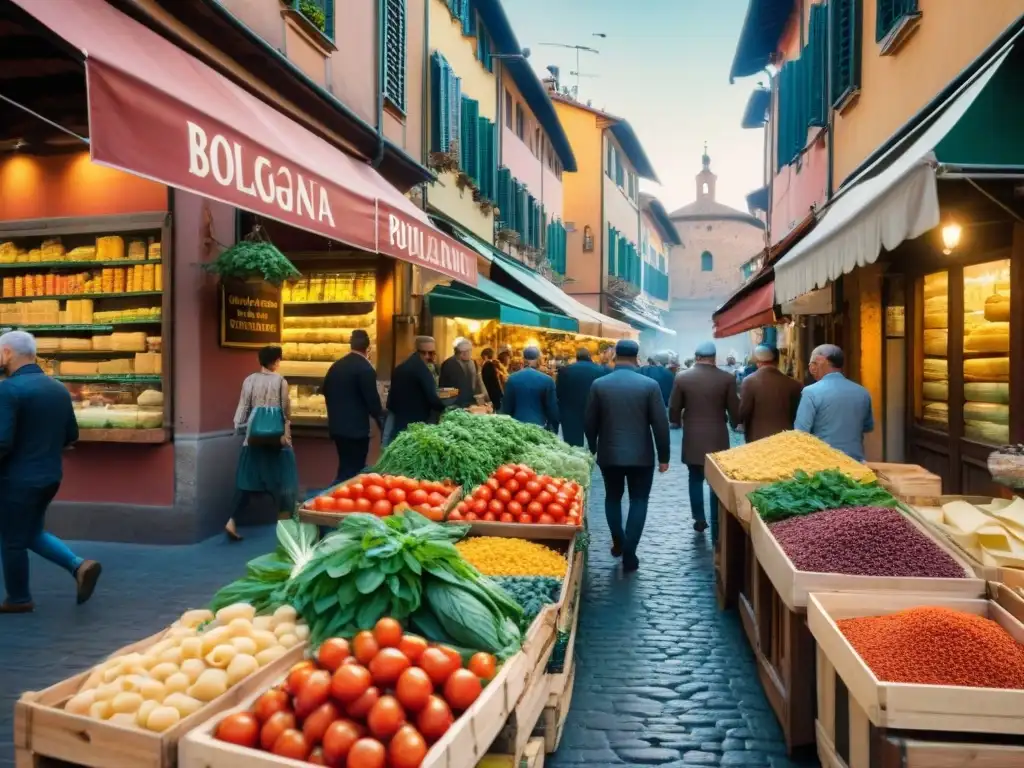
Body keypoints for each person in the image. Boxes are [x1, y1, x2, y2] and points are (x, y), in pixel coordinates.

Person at [0, 331, 101, 612]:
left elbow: (2, 441)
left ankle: (18, 599)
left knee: (11, 540)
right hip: (50, 476)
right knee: (30, 532)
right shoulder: (57, 388)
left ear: (7, 353)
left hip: (16, 479)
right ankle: (79, 566)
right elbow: (71, 434)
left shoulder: (8, 389)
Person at [585, 339, 670, 573]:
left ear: (614, 355)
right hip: (641, 456)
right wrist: (664, 456)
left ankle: (618, 541)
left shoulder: (599, 384)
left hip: (609, 453)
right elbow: (660, 425)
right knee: (639, 500)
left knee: (613, 497)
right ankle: (630, 552)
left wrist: (592, 447)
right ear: (636, 357)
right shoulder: (650, 385)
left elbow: (589, 422)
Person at [669, 341, 739, 540]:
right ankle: (716, 519)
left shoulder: (682, 377)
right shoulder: (726, 378)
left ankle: (699, 517)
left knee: (695, 478)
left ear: (697, 357)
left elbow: (674, 407)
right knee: (716, 480)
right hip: (718, 435)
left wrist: (675, 421)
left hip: (693, 436)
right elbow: (733, 407)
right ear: (714, 358)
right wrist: (736, 422)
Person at [229, 345, 298, 541]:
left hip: (253, 439)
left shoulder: (249, 380)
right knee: (284, 480)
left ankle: (231, 520)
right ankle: (284, 525)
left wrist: (240, 428)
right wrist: (286, 438)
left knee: (246, 481)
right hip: (276, 440)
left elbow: (242, 408)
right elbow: (285, 413)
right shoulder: (280, 382)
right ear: (276, 360)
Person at [322, 329, 384, 484]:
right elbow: (373, 402)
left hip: (337, 429)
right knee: (354, 472)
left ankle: (333, 498)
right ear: (368, 348)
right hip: (357, 432)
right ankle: (332, 499)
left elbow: (325, 390)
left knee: (345, 467)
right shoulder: (365, 369)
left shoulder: (336, 366)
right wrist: (382, 422)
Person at [795, 344, 874, 461]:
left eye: (813, 363)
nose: (811, 369)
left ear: (822, 361)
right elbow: (868, 426)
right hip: (855, 462)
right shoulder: (862, 392)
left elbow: (800, 432)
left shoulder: (810, 392)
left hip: (823, 464)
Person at [738, 344, 803, 443]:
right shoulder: (794, 384)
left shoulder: (749, 381)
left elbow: (743, 412)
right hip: (785, 437)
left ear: (758, 361)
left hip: (758, 438)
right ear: (777, 361)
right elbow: (797, 414)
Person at [387, 336, 448, 438]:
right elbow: (432, 398)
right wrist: (445, 407)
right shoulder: (422, 370)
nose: (428, 356)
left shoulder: (401, 367)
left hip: (399, 419)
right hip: (416, 423)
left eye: (431, 353)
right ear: (416, 351)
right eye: (424, 353)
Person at [555, 347, 606, 446]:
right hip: (593, 411)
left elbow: (558, 393)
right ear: (589, 357)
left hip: (570, 412)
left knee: (572, 445)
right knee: (593, 443)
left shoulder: (565, 371)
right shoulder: (600, 370)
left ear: (577, 358)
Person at [501, 347, 560, 432]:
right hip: (539, 426)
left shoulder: (512, 378)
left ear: (523, 359)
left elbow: (506, 407)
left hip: (517, 426)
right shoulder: (547, 380)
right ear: (539, 359)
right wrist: (554, 428)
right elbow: (552, 408)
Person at [438, 338, 487, 408]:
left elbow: (478, 384)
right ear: (462, 353)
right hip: (455, 406)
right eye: (469, 351)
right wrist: (454, 400)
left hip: (471, 405)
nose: (470, 353)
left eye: (470, 350)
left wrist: (481, 400)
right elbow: (442, 390)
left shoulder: (473, 363)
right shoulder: (448, 364)